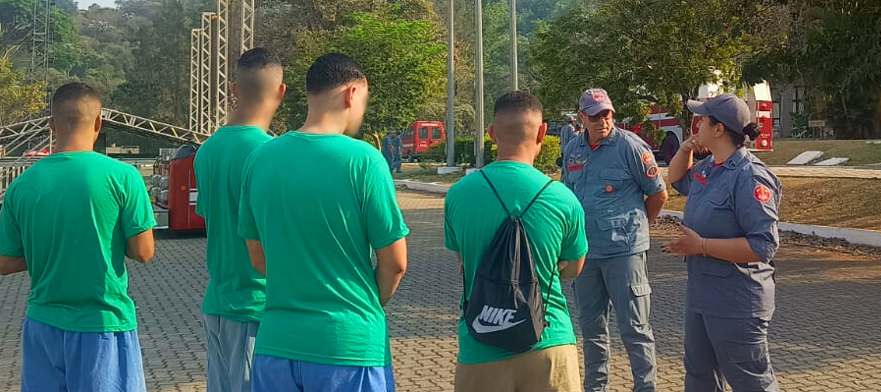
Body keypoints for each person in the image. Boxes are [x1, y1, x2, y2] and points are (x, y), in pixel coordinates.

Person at [239, 53, 409, 392]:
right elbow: (395, 264)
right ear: (351, 94)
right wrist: (367, 304)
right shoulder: (364, 161)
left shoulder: (260, 159)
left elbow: (258, 259)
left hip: (276, 344)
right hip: (348, 346)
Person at [0, 82, 156, 392]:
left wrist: (50, 252)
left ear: (51, 125)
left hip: (42, 325)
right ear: (99, 122)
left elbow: (4, 262)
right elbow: (143, 251)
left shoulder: (22, 185)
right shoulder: (123, 177)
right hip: (102, 323)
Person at [445, 91, 588, 392]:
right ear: (542, 132)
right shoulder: (563, 199)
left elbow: (463, 264)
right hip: (549, 343)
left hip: (481, 346)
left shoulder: (458, 196)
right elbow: (574, 268)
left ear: (492, 134)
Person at [664, 94, 781, 391]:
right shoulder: (709, 169)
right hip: (703, 297)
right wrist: (688, 146)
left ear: (718, 130)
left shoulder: (750, 176)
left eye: (703, 119)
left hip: (737, 302)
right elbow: (677, 179)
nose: (697, 123)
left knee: (750, 382)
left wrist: (701, 246)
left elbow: (763, 245)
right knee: (699, 376)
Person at [561, 88, 668, 392]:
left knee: (634, 328)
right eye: (594, 116)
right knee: (591, 328)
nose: (602, 121)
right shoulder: (573, 149)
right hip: (586, 254)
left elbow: (658, 194)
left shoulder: (630, 147)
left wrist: (638, 227)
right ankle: (596, 387)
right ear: (582, 118)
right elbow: (567, 195)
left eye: (606, 114)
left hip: (624, 253)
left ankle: (645, 388)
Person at [195, 48, 286, 392]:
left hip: (218, 302)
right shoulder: (271, 154)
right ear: (281, 91)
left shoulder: (206, 152)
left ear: (233, 90)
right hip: (258, 307)